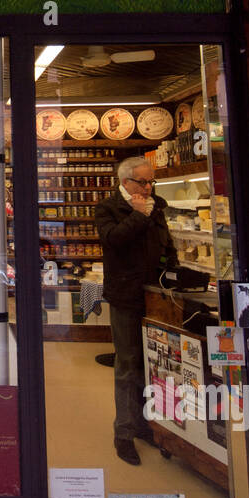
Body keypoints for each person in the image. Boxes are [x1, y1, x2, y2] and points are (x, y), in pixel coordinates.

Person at [95, 157, 179, 465]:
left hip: (156, 296)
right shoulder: (108, 208)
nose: (149, 187)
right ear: (127, 182)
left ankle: (146, 424)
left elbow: (166, 243)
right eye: (144, 182)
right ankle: (124, 433)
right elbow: (113, 240)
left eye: (151, 182)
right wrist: (140, 216)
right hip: (125, 296)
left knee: (152, 362)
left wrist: (174, 271)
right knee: (128, 364)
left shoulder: (156, 205)